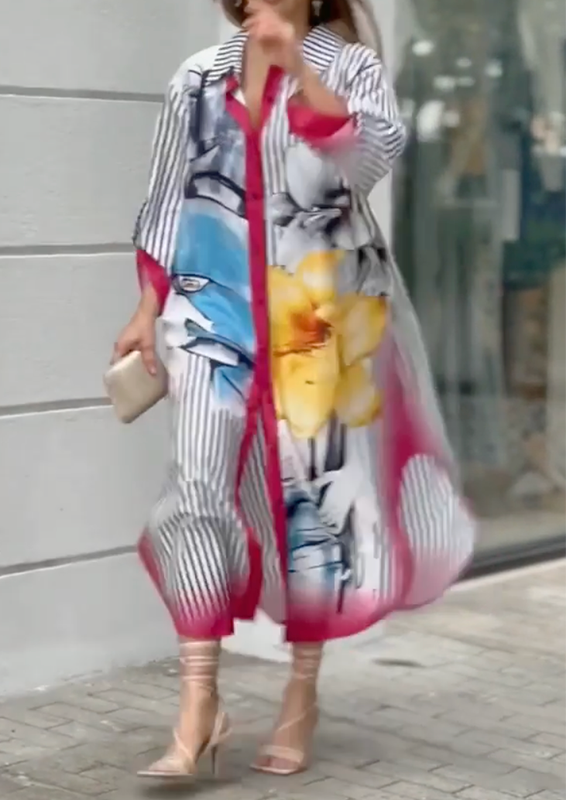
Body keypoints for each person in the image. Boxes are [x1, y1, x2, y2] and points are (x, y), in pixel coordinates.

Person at [113, 0, 476, 781]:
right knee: (196, 485)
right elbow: (166, 196)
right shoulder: (198, 77)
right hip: (207, 310)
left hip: (319, 314)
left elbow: (360, 166)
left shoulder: (351, 67)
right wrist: (146, 308)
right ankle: (198, 705)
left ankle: (301, 693)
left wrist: (299, 68)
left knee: (315, 499)